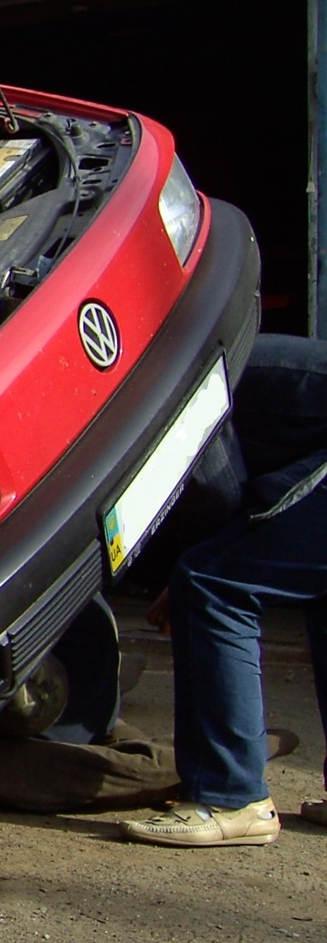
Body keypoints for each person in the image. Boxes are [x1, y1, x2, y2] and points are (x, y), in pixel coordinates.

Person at [124, 333, 327, 847]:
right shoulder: (197, 344)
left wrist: (185, 573)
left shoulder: (168, 371)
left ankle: (231, 796)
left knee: (214, 584)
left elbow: (213, 484)